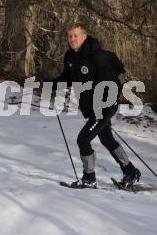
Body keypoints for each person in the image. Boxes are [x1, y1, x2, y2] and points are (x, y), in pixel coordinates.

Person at [53, 23, 141, 188]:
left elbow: (112, 82)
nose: (72, 39)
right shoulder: (70, 57)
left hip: (104, 106)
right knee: (107, 139)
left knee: (83, 139)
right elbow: (67, 78)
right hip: (92, 108)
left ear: (84, 36)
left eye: (76, 35)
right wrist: (50, 84)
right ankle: (130, 171)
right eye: (70, 36)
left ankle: (89, 178)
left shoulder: (97, 56)